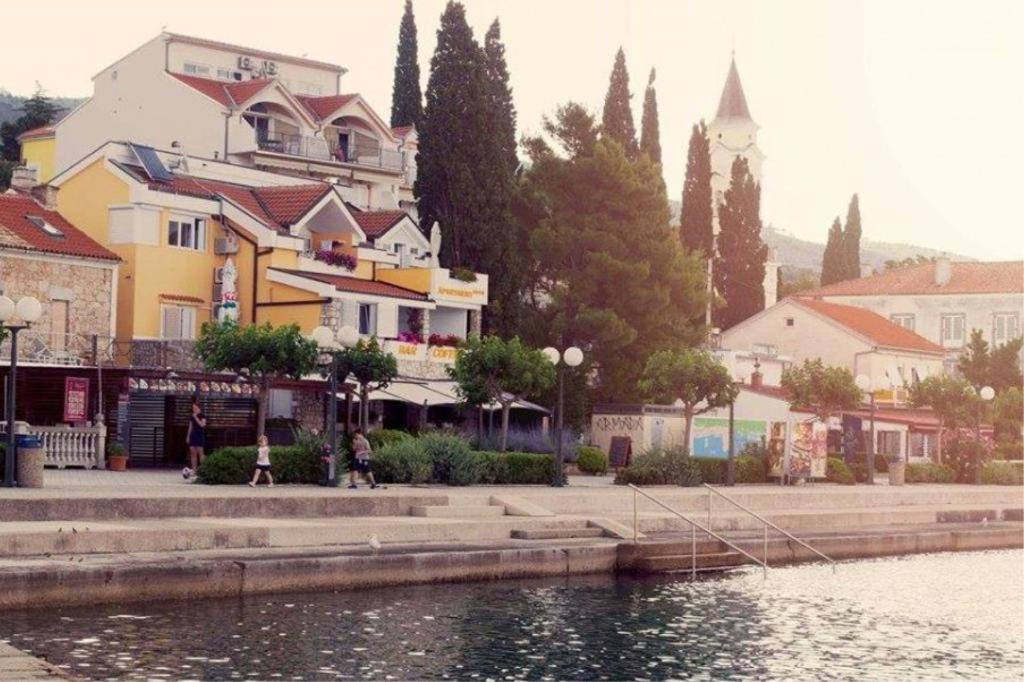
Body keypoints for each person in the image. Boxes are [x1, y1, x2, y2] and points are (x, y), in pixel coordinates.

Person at [182, 401, 207, 479]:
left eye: (195, 408)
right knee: (193, 453)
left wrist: (196, 417)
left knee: (200, 453)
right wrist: (188, 436)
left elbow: (202, 425)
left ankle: (204, 470)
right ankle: (194, 470)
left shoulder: (202, 416)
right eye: (193, 408)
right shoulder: (191, 417)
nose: (194, 410)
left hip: (199, 435)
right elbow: (190, 427)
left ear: (199, 408)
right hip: (193, 435)